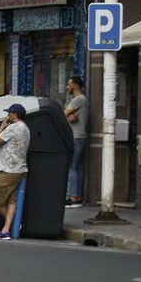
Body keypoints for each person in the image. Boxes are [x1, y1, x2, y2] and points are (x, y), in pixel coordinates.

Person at [0, 102, 31, 239]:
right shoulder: (26, 129)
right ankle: (6, 230)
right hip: (20, 169)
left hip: (8, 169)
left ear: (14, 115)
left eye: (9, 113)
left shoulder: (13, 128)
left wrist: (2, 127)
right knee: (11, 200)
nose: (7, 115)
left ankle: (13, 224)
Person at [64, 76, 87, 207]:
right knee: (78, 168)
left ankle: (73, 198)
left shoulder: (79, 99)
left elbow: (64, 114)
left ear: (75, 86)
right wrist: (70, 117)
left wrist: (68, 116)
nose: (67, 87)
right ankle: (78, 196)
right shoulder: (81, 99)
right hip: (80, 136)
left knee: (72, 167)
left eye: (69, 84)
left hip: (76, 137)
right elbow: (69, 116)